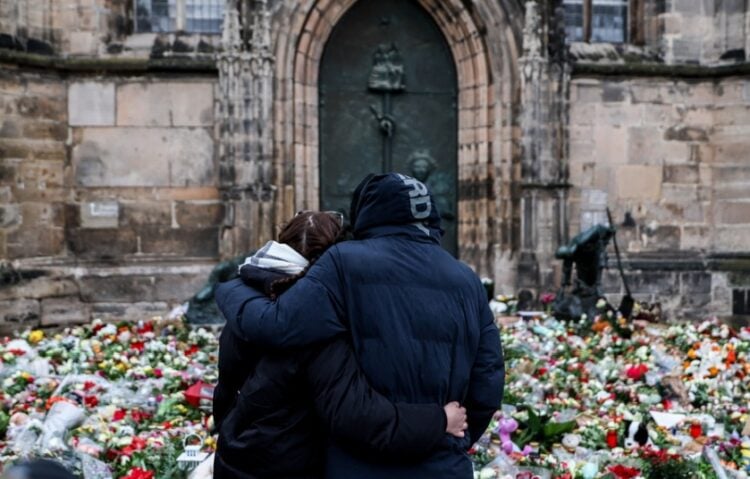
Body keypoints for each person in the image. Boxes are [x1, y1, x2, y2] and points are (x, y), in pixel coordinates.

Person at [216, 173, 505, 478]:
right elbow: (489, 376)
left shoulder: (344, 261)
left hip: (357, 462)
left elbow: (278, 324)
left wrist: (234, 287)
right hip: (443, 462)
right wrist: (452, 437)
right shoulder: (467, 278)